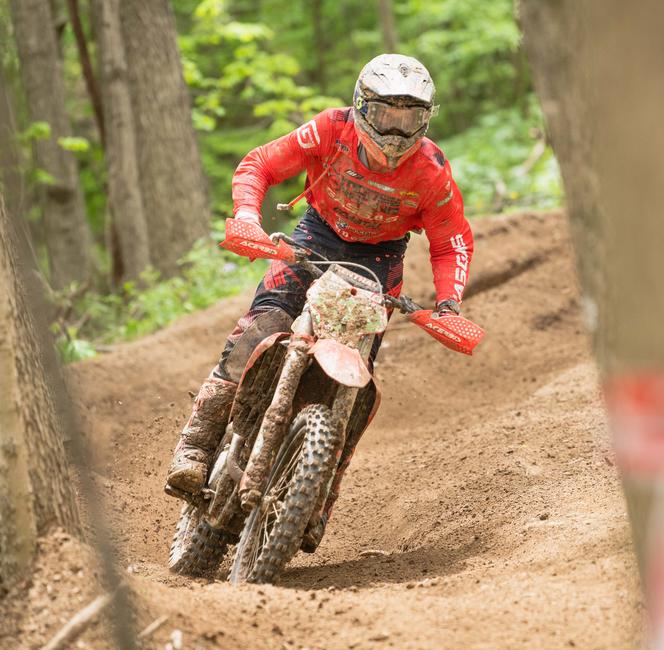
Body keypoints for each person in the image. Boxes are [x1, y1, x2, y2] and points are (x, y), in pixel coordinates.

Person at [165, 54, 473, 550]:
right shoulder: (330, 131)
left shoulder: (431, 170)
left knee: (360, 379)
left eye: (409, 118)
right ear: (361, 106)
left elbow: (451, 238)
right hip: (315, 237)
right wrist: (247, 216)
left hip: (379, 261)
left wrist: (448, 305)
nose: (396, 132)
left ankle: (320, 496)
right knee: (261, 326)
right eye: (386, 116)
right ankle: (195, 447)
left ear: (426, 119)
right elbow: (260, 163)